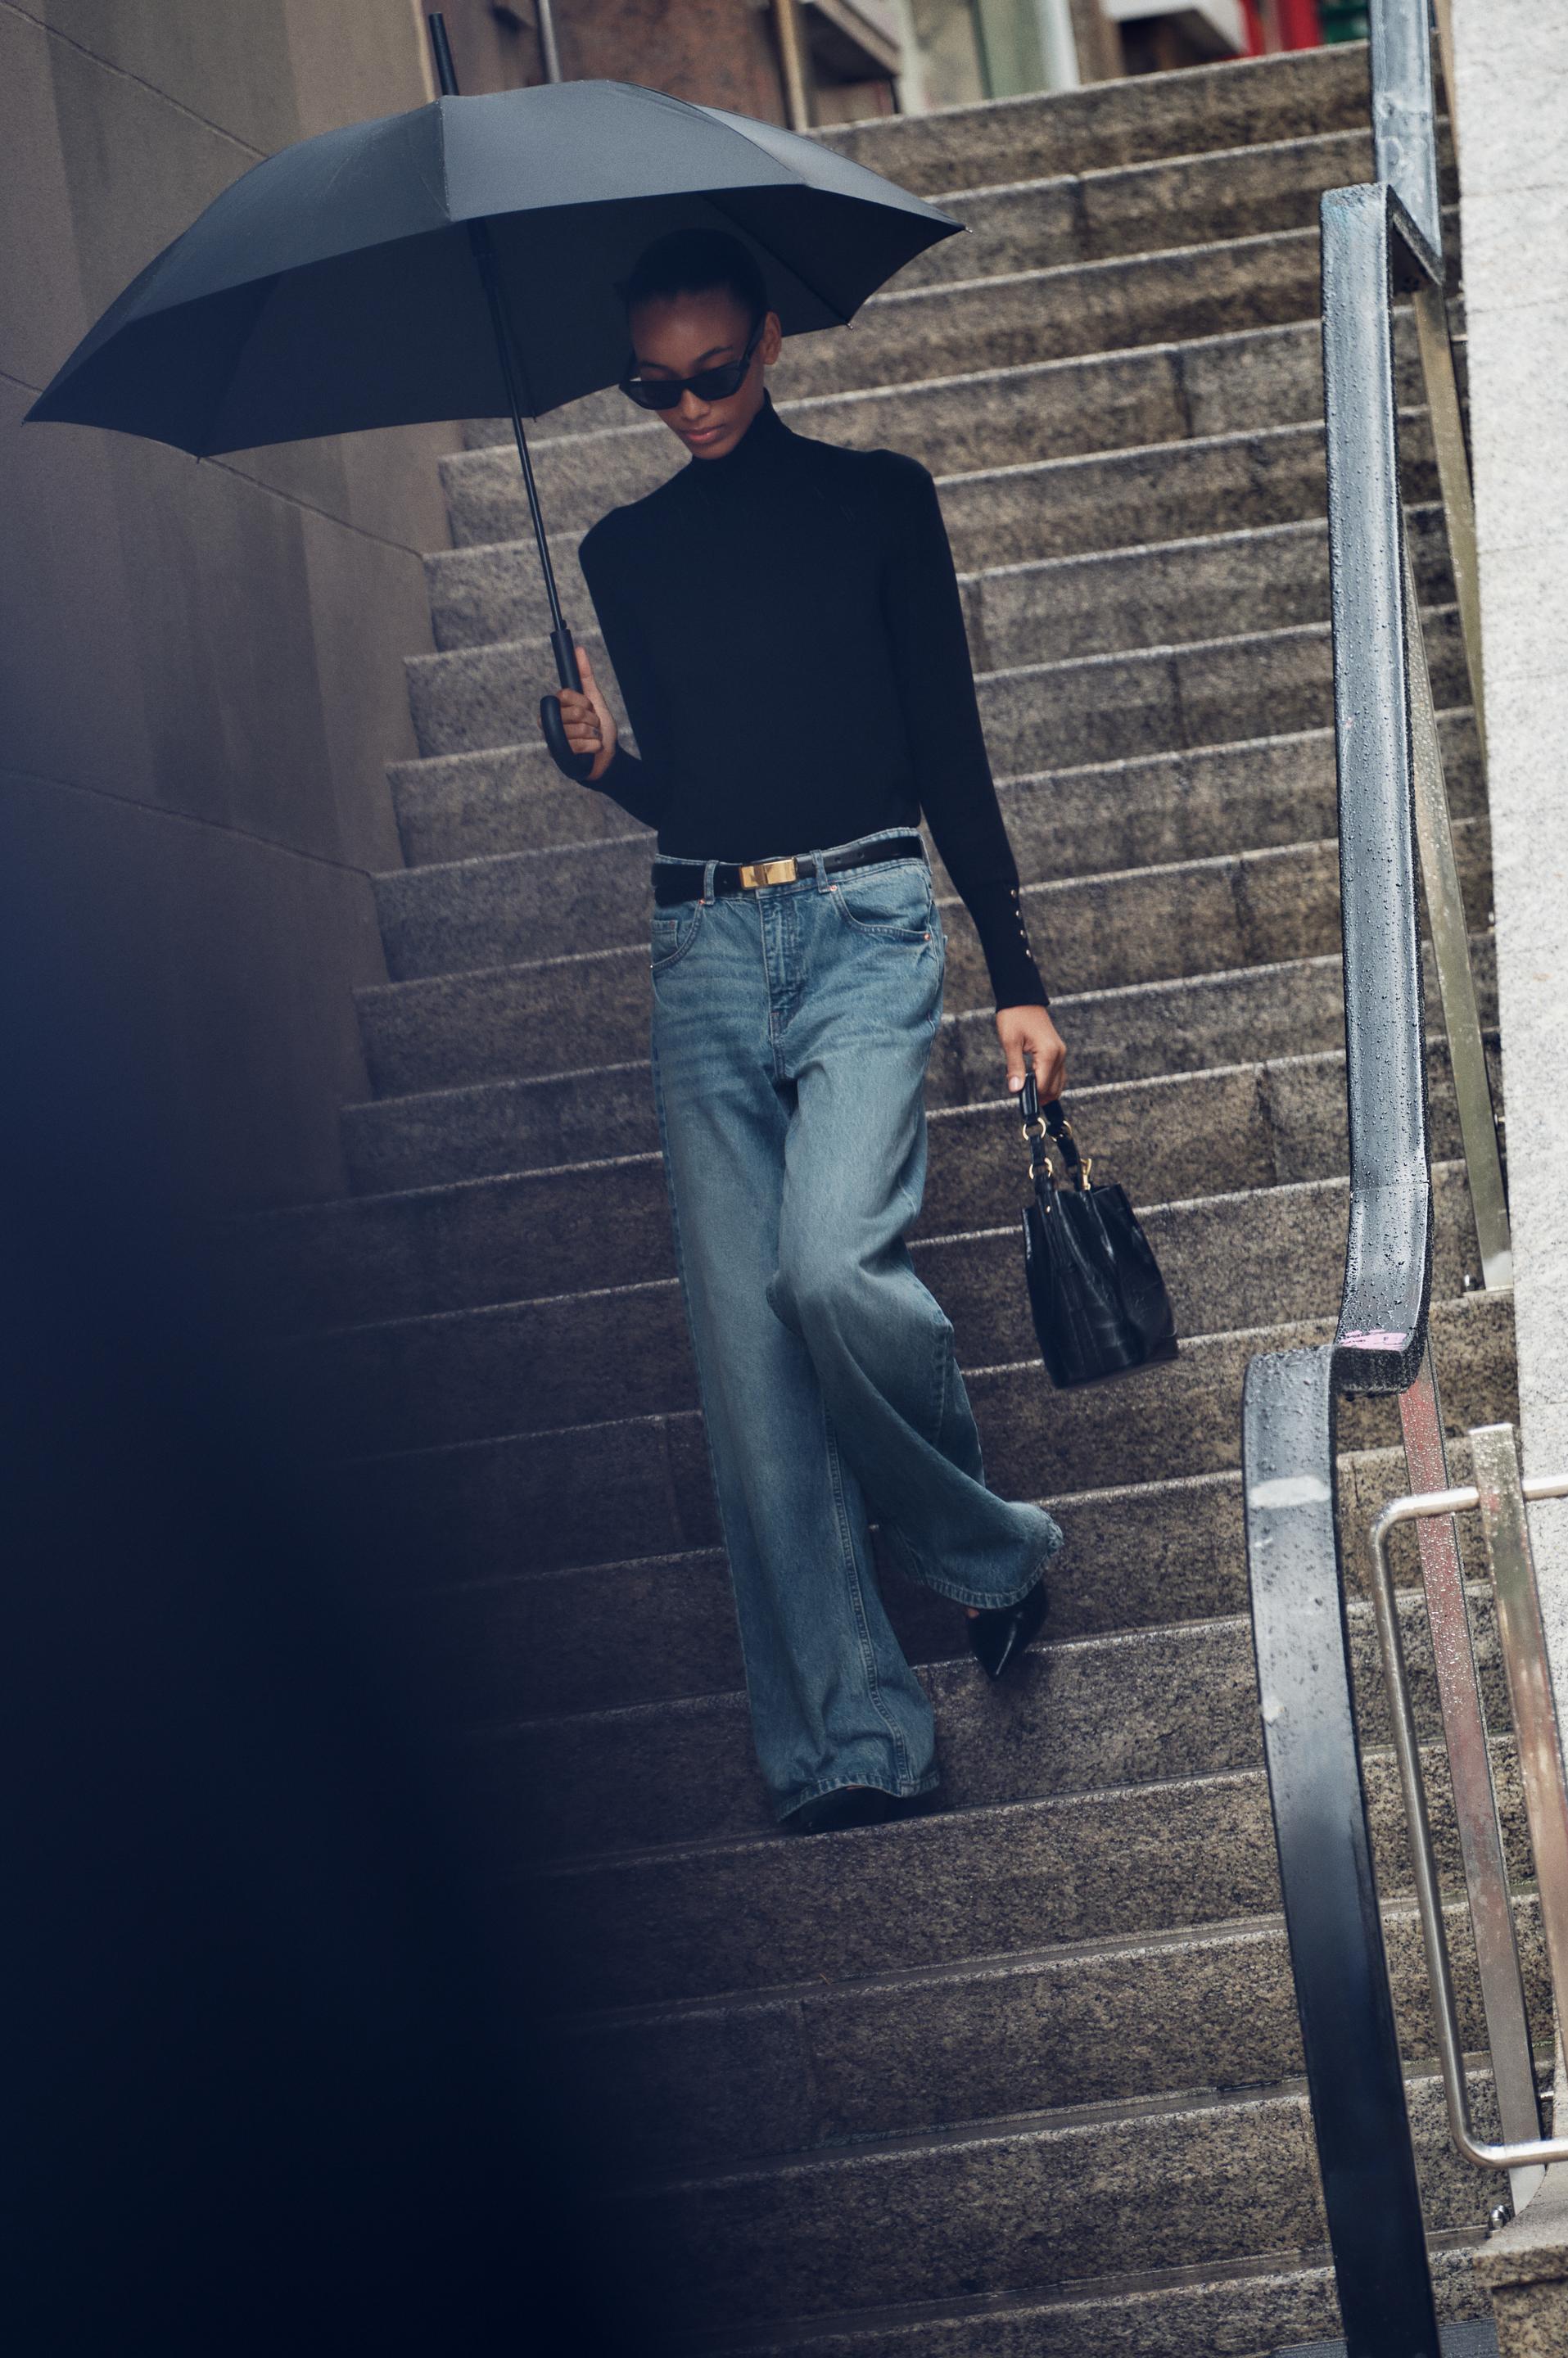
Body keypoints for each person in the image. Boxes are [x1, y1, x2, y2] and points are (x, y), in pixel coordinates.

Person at [550, 227, 1068, 1836]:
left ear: (768, 341)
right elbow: (700, 788)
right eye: (653, 387)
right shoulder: (622, 554)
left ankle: (985, 1552)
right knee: (750, 1363)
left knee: (830, 1268)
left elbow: (948, 751)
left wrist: (1018, 972)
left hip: (863, 924)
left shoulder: (880, 501)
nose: (691, 406)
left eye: (712, 372)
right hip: (703, 945)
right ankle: (851, 1741)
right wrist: (605, 769)